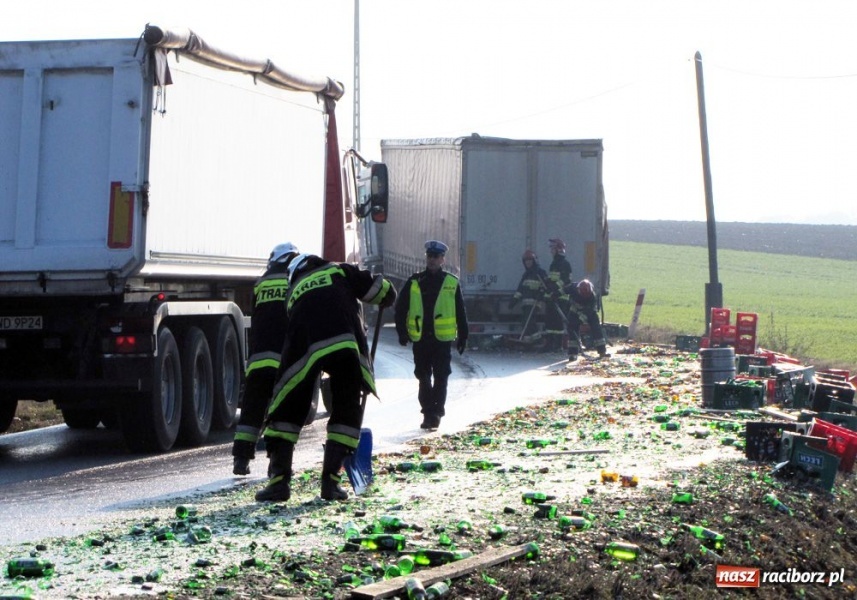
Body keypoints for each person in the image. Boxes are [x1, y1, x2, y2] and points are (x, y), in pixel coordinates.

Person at [254, 253, 397, 502]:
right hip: (344, 344)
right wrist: (387, 295)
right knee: (346, 409)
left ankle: (278, 484)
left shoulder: (294, 290)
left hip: (304, 346)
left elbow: (294, 322)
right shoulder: (339, 270)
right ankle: (330, 484)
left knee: (286, 409)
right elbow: (381, 290)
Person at [231, 242, 299, 476]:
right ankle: (276, 465)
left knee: (251, 412)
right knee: (281, 413)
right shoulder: (294, 280)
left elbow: (257, 318)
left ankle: (241, 460)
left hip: (259, 360)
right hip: (284, 361)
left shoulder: (261, 283)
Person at [394, 240, 469, 430]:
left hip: (442, 340)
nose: (432, 260)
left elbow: (460, 311)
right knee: (424, 377)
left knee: (441, 377)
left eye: (436, 257)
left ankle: (437, 413)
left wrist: (463, 336)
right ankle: (428, 413)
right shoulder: (415, 281)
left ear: (443, 259)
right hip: (421, 338)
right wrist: (402, 332)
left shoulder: (451, 283)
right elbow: (400, 308)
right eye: (430, 256)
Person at [564, 279, 609, 361]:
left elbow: (589, 312)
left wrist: (581, 320)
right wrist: (554, 293)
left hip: (589, 313)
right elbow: (562, 290)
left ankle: (602, 351)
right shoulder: (573, 287)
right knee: (572, 329)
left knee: (596, 328)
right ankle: (573, 353)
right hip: (574, 311)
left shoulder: (592, 297)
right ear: (578, 290)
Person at [510, 249, 548, 342]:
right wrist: (513, 301)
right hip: (526, 303)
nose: (528, 263)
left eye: (530, 261)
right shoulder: (526, 274)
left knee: (529, 322)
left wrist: (540, 295)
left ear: (534, 261)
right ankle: (527, 341)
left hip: (535, 302)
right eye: (526, 261)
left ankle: (538, 339)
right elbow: (520, 290)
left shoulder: (540, 272)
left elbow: (546, 287)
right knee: (525, 322)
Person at [544, 238, 572, 351]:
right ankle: (550, 343)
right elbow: (553, 280)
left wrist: (556, 292)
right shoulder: (554, 263)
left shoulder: (564, 264)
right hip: (552, 297)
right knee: (550, 321)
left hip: (560, 298)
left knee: (558, 323)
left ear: (558, 249)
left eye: (552, 248)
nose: (551, 250)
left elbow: (565, 281)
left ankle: (558, 344)